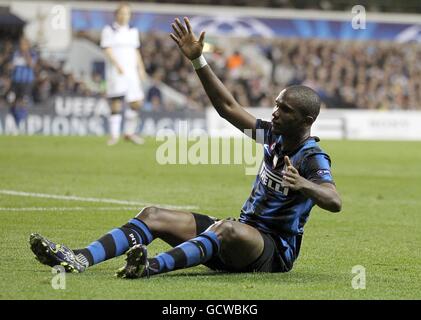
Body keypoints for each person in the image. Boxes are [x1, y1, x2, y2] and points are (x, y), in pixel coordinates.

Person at [29, 18, 342, 278]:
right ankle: (79, 258)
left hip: (271, 251)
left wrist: (303, 184)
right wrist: (197, 58)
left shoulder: (311, 157)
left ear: (306, 119)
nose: (275, 112)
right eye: (276, 105)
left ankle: (148, 267)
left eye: (284, 109)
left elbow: (334, 200)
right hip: (237, 236)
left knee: (226, 229)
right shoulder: (271, 135)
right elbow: (227, 107)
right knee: (153, 215)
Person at [101, 2, 147, 145]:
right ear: (116, 15)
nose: (124, 16)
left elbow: (136, 51)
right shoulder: (109, 30)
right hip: (116, 71)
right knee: (116, 102)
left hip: (131, 72)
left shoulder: (133, 31)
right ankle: (114, 136)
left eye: (127, 13)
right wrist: (117, 65)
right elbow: (107, 49)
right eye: (121, 13)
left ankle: (129, 132)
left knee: (136, 101)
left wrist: (141, 68)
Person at [9, 38, 37, 126]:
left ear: (27, 45)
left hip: (26, 82)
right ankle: (16, 120)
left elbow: (31, 65)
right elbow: (11, 66)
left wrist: (26, 54)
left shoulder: (32, 54)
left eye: (23, 44)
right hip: (15, 81)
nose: (22, 46)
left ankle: (21, 122)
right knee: (12, 100)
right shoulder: (16, 54)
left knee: (22, 102)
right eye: (21, 44)